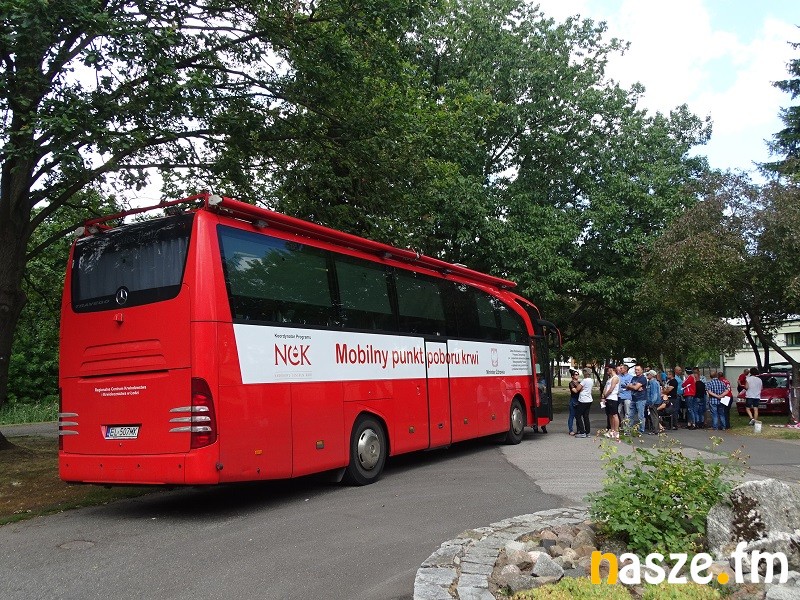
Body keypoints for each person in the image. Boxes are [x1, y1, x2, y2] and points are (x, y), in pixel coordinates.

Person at [601, 365, 620, 439]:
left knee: (614, 415)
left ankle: (616, 431)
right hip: (608, 398)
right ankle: (612, 430)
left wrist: (605, 396)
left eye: (608, 369)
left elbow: (611, 389)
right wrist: (603, 396)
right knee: (610, 415)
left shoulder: (615, 378)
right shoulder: (610, 378)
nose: (607, 371)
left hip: (612, 398)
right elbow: (606, 388)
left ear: (612, 369)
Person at [575, 368, 594, 438]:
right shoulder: (591, 380)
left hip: (583, 400)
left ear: (585, 373)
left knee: (578, 415)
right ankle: (588, 432)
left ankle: (582, 432)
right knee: (586, 416)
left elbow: (577, 389)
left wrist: (579, 388)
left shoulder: (584, 380)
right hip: (589, 399)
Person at [629, 365, 648, 434]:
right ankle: (628, 429)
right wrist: (633, 387)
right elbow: (629, 386)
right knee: (630, 415)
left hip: (641, 399)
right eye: (635, 370)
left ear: (642, 371)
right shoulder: (634, 378)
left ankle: (641, 430)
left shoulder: (643, 378)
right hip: (633, 398)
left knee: (640, 416)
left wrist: (634, 387)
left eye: (638, 370)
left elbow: (634, 387)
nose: (636, 371)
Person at [645, 369, 662, 434]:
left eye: (648, 374)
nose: (647, 375)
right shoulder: (654, 382)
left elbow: (654, 394)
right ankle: (656, 429)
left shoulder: (653, 382)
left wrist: (652, 403)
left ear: (651, 375)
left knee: (654, 416)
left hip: (653, 402)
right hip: (655, 401)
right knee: (655, 415)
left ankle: (655, 430)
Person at [567, 370, 581, 436]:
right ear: (572, 376)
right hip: (573, 400)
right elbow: (575, 391)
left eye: (578, 374)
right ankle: (571, 430)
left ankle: (579, 429)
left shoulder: (580, 383)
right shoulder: (571, 383)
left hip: (579, 400)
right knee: (572, 416)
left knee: (578, 416)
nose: (577, 375)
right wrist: (580, 388)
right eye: (576, 374)